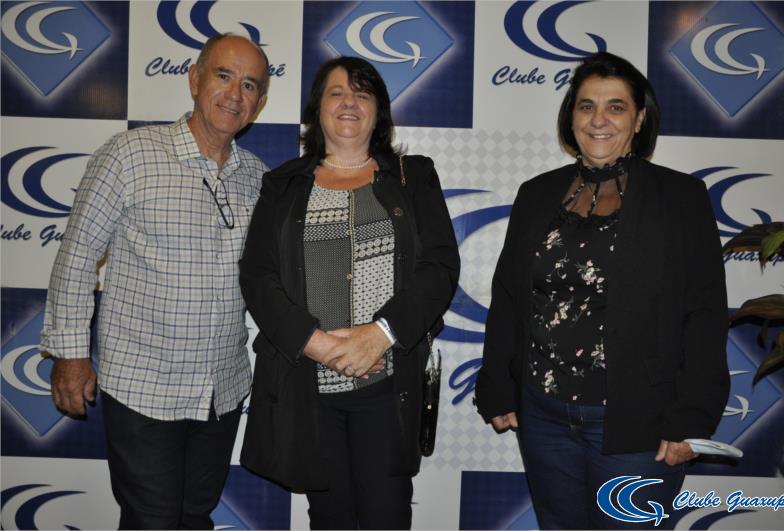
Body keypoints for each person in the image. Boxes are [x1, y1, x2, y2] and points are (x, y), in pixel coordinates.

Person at [475, 51, 729, 529]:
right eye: (586, 105)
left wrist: (691, 418)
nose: (599, 120)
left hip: (639, 422)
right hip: (543, 415)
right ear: (571, 116)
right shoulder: (536, 193)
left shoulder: (680, 198)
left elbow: (705, 313)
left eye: (616, 107)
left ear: (639, 119)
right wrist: (497, 386)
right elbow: (509, 299)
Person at [40, 34, 269, 529]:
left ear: (260, 101)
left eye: (250, 85)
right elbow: (77, 256)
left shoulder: (257, 177)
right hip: (144, 388)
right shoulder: (129, 154)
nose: (235, 94)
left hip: (221, 390)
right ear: (194, 79)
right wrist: (70, 354)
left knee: (194, 517)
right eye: (223, 76)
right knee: (152, 521)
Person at [238, 56, 459, 530]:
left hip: (388, 386)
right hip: (308, 389)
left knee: (387, 517)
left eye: (362, 94)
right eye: (336, 93)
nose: (349, 103)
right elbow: (258, 276)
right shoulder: (283, 185)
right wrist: (317, 344)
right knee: (329, 520)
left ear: (379, 112)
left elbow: (439, 267)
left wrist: (379, 335)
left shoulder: (413, 176)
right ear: (317, 109)